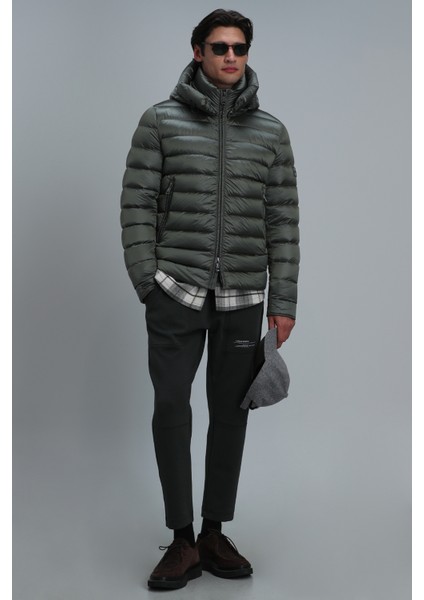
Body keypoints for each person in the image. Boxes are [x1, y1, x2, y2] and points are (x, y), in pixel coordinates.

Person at [120, 8, 300, 590]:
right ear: (197, 50)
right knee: (171, 407)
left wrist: (283, 300)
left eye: (239, 48)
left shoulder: (271, 132)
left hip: (244, 296)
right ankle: (181, 539)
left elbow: (283, 220)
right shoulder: (160, 121)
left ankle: (214, 531)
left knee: (230, 414)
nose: (230, 57)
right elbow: (136, 203)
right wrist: (148, 281)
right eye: (219, 47)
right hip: (175, 290)